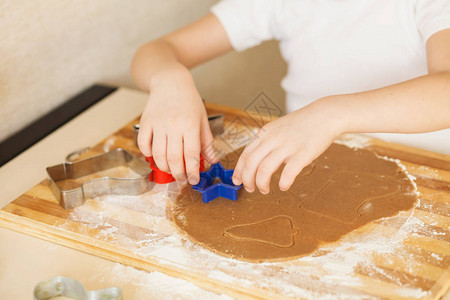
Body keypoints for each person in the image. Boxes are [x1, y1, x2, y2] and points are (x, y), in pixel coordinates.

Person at [130, 0, 450, 195]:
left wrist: (331, 113)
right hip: (315, 168)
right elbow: (155, 52)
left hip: (430, 171)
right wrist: (170, 78)